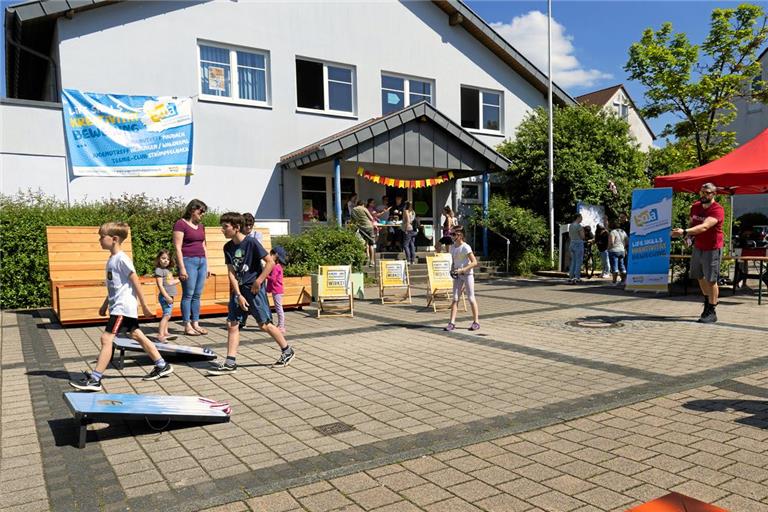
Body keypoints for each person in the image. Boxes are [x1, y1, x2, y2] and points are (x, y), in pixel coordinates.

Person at [70, 222, 173, 391]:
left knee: (106, 339)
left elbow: (135, 281)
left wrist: (145, 306)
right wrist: (105, 304)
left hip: (122, 308)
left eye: (102, 237)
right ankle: (161, 364)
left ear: (115, 239)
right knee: (137, 335)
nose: (99, 240)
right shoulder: (112, 259)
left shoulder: (122, 259)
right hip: (118, 306)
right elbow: (115, 286)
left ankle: (95, 379)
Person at [208, 212, 295, 375]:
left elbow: (270, 262)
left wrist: (259, 281)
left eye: (225, 226)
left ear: (236, 227)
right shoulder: (227, 247)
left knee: (264, 324)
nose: (222, 230)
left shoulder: (252, 243)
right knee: (232, 324)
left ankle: (287, 350)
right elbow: (231, 272)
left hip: (254, 289)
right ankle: (230, 362)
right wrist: (238, 294)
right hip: (239, 291)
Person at [671, 182, 725, 323]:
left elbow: (704, 226)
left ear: (714, 194)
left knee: (711, 279)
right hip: (698, 247)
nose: (704, 195)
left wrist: (684, 232)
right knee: (699, 276)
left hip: (712, 248)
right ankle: (707, 302)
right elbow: (693, 223)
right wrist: (688, 235)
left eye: (707, 193)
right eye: (702, 192)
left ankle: (712, 311)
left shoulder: (717, 210)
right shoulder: (695, 207)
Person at [173, 199, 209, 336]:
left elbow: (204, 246)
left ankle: (196, 324)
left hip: (201, 262)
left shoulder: (201, 226)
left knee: (197, 295)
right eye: (201, 211)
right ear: (193, 210)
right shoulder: (180, 224)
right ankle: (187, 325)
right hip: (188, 262)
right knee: (188, 294)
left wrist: (207, 265)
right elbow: (177, 247)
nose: (203, 214)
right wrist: (181, 268)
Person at [443, 226, 480, 332]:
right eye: (451, 234)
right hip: (458, 276)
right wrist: (452, 270)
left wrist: (463, 270)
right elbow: (454, 261)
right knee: (455, 298)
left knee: (471, 298)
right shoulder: (453, 247)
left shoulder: (466, 247)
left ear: (460, 235)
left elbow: (474, 262)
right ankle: (452, 323)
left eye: (454, 234)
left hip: (467, 275)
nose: (452, 236)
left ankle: (476, 322)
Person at [153, 249, 179, 342]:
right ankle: (160, 335)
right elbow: (160, 285)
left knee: (167, 314)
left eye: (167, 259)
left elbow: (171, 282)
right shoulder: (159, 270)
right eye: (163, 258)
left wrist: (180, 279)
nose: (165, 260)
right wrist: (167, 296)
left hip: (169, 296)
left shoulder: (167, 270)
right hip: (165, 296)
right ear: (159, 259)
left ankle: (166, 332)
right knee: (167, 315)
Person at [351, 200, 377, 267]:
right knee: (371, 244)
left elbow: (353, 221)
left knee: (364, 243)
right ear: (363, 204)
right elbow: (371, 218)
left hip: (361, 228)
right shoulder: (364, 208)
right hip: (369, 227)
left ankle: (366, 257)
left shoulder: (354, 209)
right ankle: (372, 261)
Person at [268, 246, 287, 333]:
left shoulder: (276, 267)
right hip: (277, 290)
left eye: (271, 254)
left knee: (279, 308)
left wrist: (265, 275)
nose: (269, 256)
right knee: (278, 308)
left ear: (276, 255)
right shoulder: (279, 266)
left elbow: (273, 279)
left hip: (277, 291)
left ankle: (281, 326)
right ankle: (280, 325)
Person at [608, 220, 628, 285]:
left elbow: (611, 242)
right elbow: (627, 242)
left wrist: (608, 249)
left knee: (614, 267)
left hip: (614, 251)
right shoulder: (623, 231)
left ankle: (614, 282)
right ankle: (623, 281)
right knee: (622, 266)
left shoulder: (612, 232)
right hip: (622, 251)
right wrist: (623, 247)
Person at [567, 213, 586, 283]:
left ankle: (571, 276)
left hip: (572, 243)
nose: (582, 219)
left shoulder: (571, 225)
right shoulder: (579, 226)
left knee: (573, 261)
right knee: (579, 261)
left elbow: (569, 235)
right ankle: (577, 277)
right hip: (578, 244)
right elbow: (582, 236)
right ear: (578, 217)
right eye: (581, 217)